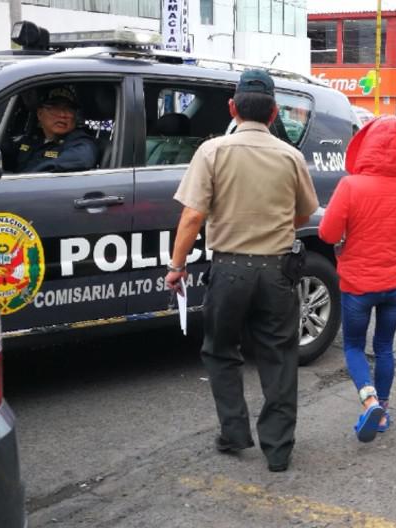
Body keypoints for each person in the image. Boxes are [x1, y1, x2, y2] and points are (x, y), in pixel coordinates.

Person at [164, 70, 319, 472]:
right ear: (273, 113)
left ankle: (234, 433)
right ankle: (278, 449)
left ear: (232, 108)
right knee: (278, 356)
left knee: (220, 351)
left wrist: (177, 266)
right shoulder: (290, 156)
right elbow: (304, 213)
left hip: (229, 269)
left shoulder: (212, 151)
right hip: (277, 271)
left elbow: (192, 216)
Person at [319, 116, 396, 443]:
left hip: (358, 285)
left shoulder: (351, 185)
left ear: (367, 145)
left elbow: (328, 234)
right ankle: (384, 411)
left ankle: (369, 402)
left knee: (353, 346)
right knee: (384, 347)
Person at [5, 86, 98, 173]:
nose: (62, 115)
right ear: (40, 114)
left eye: (69, 109)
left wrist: (29, 177)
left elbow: (82, 158)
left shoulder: (80, 142)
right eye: (55, 108)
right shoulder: (32, 139)